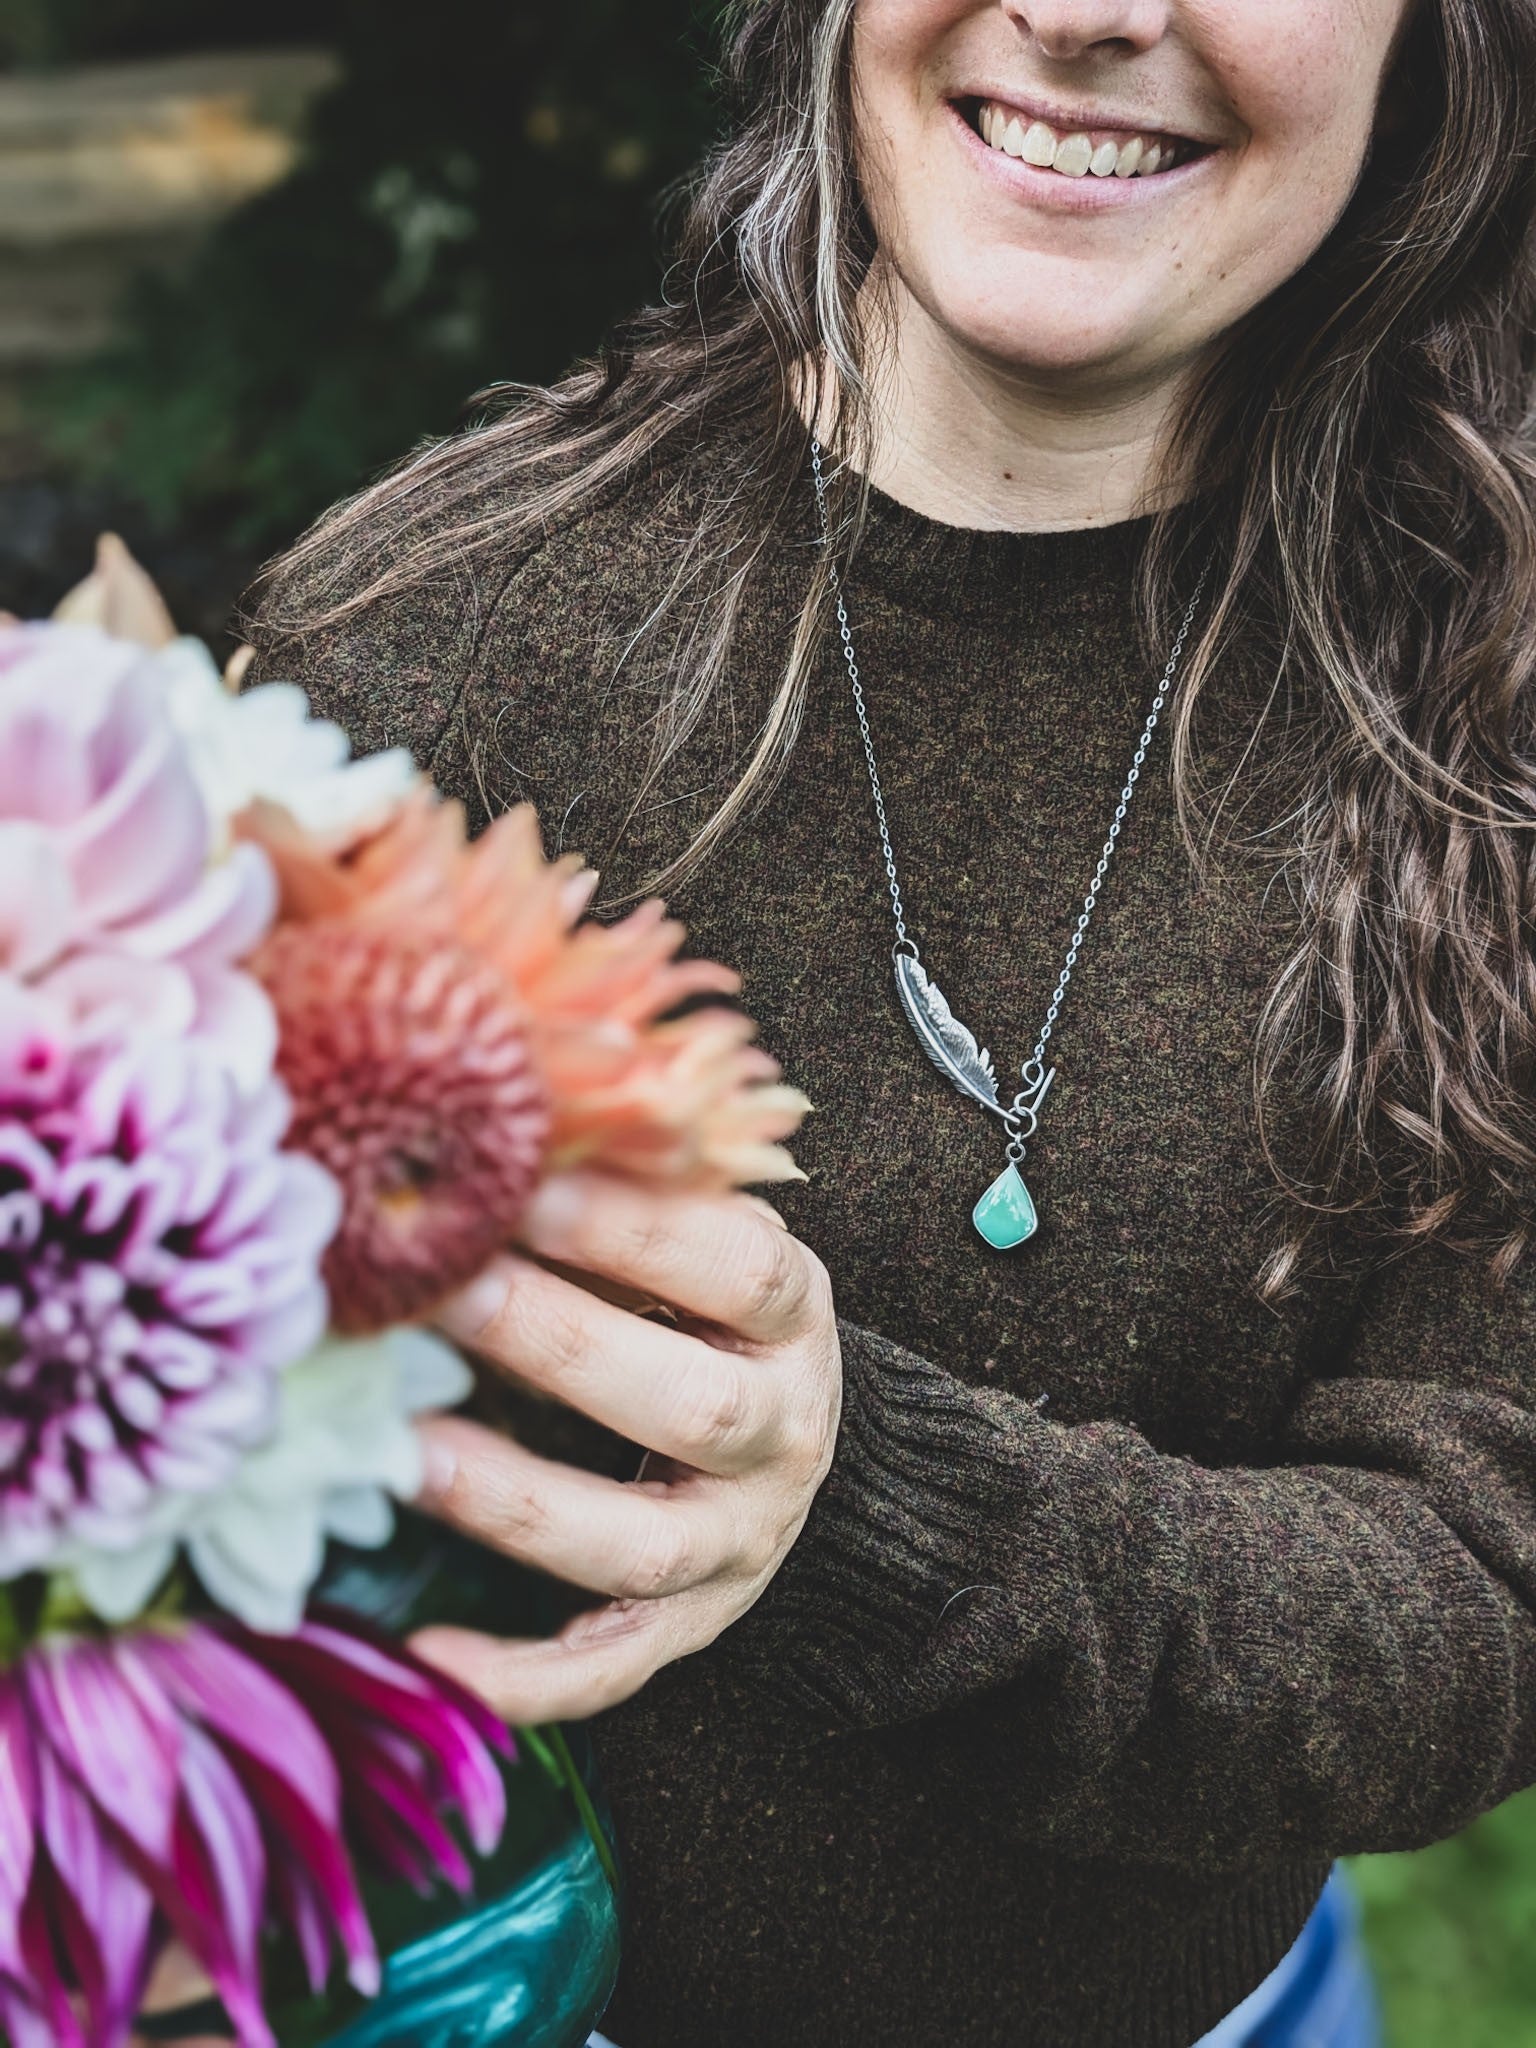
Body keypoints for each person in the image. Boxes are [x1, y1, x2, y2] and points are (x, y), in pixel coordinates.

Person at [227, 0, 1536, 2043]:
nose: (1096, 13)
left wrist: (869, 1507)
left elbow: (1488, 1592)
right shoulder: (411, 663)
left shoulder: (1488, 731)